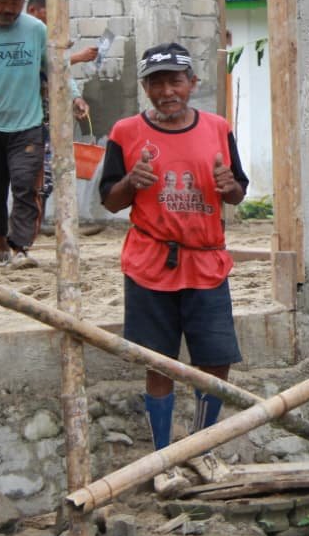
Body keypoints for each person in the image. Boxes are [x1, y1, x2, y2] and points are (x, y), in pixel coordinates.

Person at [98, 42, 248, 498]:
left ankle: (201, 447)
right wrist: (132, 181)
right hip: (150, 263)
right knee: (157, 360)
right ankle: (163, 458)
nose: (167, 92)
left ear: (192, 84)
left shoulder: (218, 127)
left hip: (206, 261)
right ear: (145, 88)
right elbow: (110, 199)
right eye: (157, 83)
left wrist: (229, 186)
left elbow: (237, 190)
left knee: (215, 360)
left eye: (175, 82)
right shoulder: (125, 132)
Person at [0, 0, 85, 268]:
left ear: (23, 1)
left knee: (25, 186)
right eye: (2, 0)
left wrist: (74, 95)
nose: (8, 8)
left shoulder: (35, 30)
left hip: (27, 125)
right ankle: (0, 242)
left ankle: (19, 249)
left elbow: (56, 67)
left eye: (14, 2)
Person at [23, 0, 92, 211]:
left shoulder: (46, 37)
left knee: (44, 180)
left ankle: (31, 226)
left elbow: (59, 71)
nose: (50, 22)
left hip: (44, 121)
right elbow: (43, 65)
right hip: (21, 122)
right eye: (47, 15)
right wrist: (78, 57)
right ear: (33, 11)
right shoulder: (22, 36)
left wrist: (76, 98)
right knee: (26, 179)